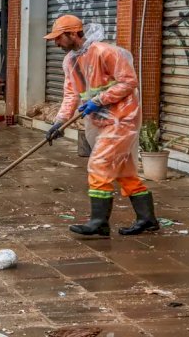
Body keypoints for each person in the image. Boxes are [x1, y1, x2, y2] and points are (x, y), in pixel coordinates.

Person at [45, 15, 159, 237]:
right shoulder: (70, 61)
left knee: (99, 165)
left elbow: (129, 82)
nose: (55, 43)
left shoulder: (106, 52)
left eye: (58, 38)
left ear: (72, 34)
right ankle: (147, 219)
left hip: (122, 119)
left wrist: (98, 100)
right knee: (124, 171)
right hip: (101, 120)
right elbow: (71, 94)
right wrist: (58, 122)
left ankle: (99, 222)